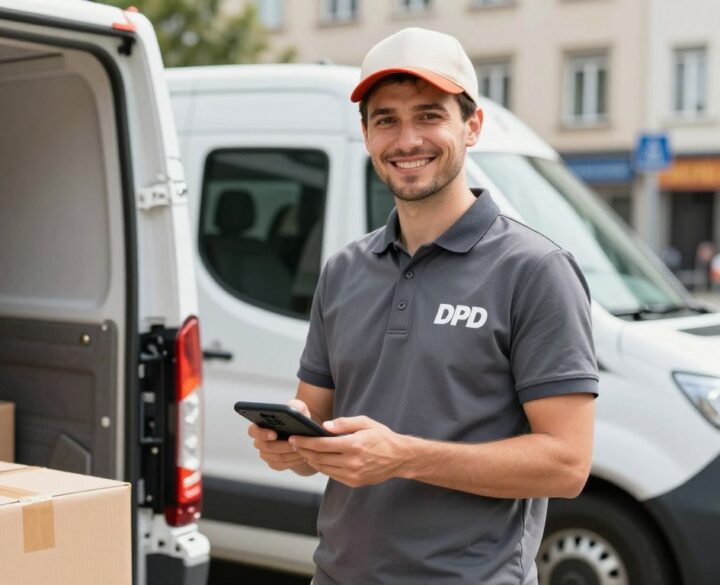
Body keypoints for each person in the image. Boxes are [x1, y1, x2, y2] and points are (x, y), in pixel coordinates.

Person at [247, 28, 598, 585]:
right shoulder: (343, 270)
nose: (406, 139)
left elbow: (567, 464)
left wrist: (403, 456)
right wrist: (290, 447)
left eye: (429, 115)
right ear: (365, 134)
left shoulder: (535, 270)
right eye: (385, 119)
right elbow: (314, 412)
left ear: (472, 125)